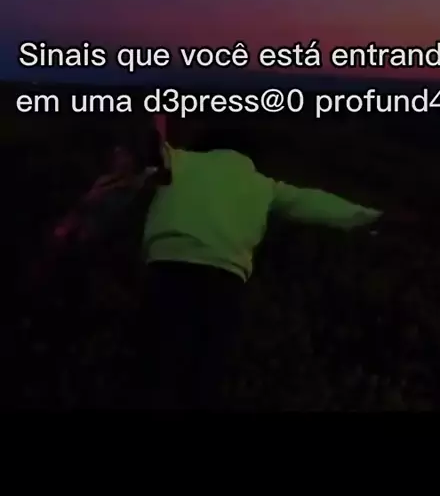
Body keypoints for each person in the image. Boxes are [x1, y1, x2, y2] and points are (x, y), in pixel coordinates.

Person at [39, 116, 383, 410]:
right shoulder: (265, 185)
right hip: (224, 281)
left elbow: (150, 148)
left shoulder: (180, 161)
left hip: (168, 269)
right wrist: (370, 218)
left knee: (155, 369)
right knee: (203, 376)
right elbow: (316, 203)